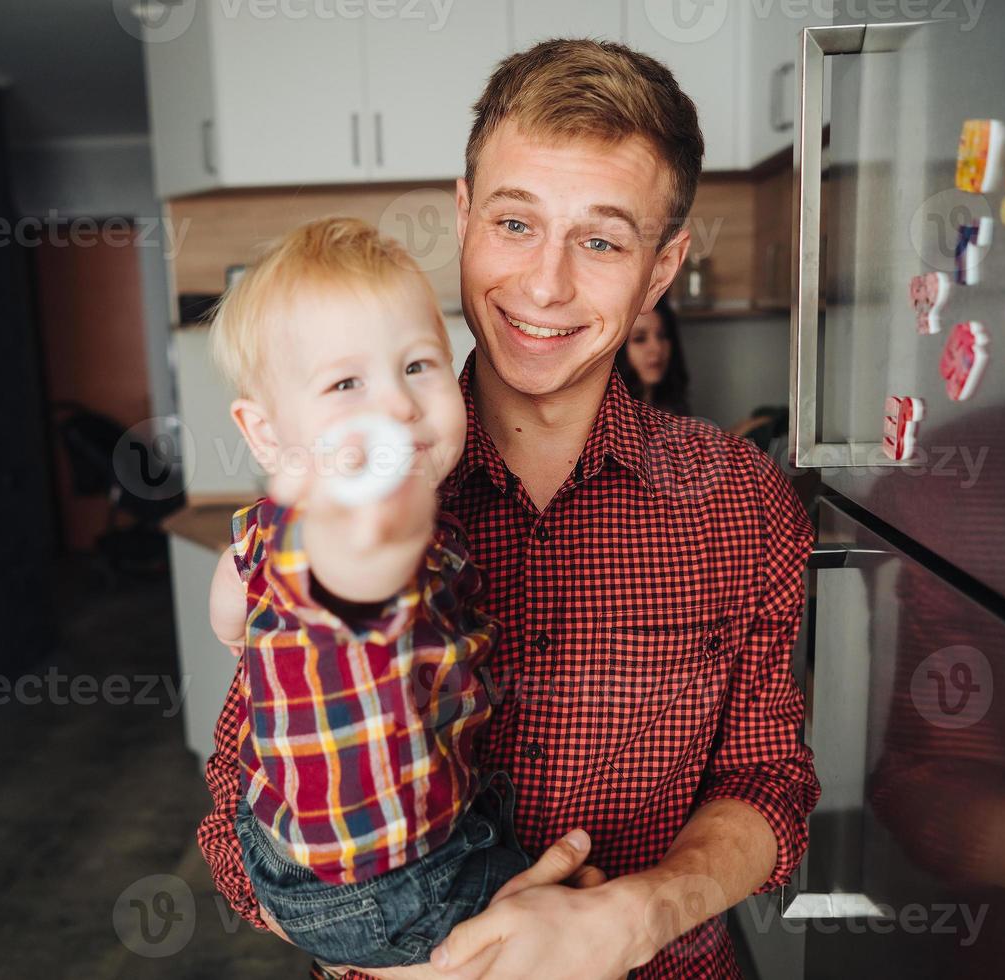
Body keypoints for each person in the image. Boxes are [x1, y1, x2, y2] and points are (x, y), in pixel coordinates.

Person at [199, 39, 820, 980]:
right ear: (462, 216)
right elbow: (237, 822)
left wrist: (633, 916)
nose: (545, 285)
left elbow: (768, 783)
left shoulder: (747, 503)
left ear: (661, 268)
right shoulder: (345, 496)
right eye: (516, 224)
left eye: (603, 240)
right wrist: (437, 967)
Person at [205, 216, 567, 970]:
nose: (399, 407)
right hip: (384, 882)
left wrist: (243, 632)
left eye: (418, 366)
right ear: (268, 435)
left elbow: (228, 615)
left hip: (283, 835)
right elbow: (350, 593)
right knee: (566, 929)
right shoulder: (351, 539)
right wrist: (363, 568)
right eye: (346, 383)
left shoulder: (262, 529)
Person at [614, 295, 690, 416]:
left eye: (663, 335)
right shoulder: (613, 417)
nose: (657, 348)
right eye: (639, 339)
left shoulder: (669, 408)